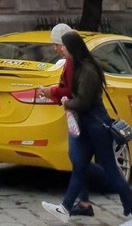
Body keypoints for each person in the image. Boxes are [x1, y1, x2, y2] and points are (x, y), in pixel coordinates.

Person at [42, 30, 132, 222]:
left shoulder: (88, 70)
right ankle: (66, 208)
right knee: (79, 164)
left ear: (73, 47)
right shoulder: (76, 67)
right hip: (84, 126)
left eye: (63, 46)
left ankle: (130, 209)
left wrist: (66, 102)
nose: (60, 50)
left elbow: (83, 101)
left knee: (110, 170)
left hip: (97, 127)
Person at [38, 24, 93, 218]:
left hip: (81, 117)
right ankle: (84, 203)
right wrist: (53, 93)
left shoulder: (72, 62)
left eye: (57, 44)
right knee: (79, 160)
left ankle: (67, 206)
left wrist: (51, 91)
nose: (55, 48)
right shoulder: (69, 60)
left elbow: (70, 91)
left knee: (81, 161)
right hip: (77, 117)